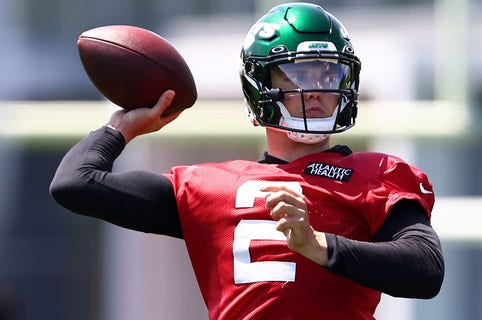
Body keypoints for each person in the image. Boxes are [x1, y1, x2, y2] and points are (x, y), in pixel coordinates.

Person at [50, 2, 444, 319]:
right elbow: (76, 184)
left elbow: (424, 269)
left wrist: (319, 244)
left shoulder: (375, 175)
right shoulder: (206, 187)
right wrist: (121, 126)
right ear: (260, 89)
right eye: (297, 76)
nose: (317, 90)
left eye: (328, 75)